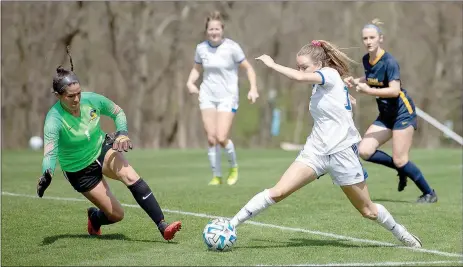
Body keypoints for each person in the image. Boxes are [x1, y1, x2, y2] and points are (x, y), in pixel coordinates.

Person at [228, 40, 423, 248]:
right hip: (316, 151)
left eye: (304, 66)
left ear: (320, 65)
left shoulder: (328, 74)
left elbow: (301, 78)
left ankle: (401, 233)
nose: (300, 70)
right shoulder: (325, 82)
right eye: (298, 66)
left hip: (342, 153)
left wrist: (273, 64)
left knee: (368, 211)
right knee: (278, 192)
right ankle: (230, 225)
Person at [36, 47, 182, 240]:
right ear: (58, 96)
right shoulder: (54, 119)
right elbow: (50, 151)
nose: (77, 99)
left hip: (101, 149)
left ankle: (163, 226)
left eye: (79, 93)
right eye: (71, 96)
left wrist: (122, 133)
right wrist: (47, 172)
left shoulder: (92, 100)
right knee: (116, 215)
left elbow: (117, 112)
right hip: (79, 170)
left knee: (130, 175)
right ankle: (95, 218)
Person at [344, 19, 437, 203]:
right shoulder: (366, 60)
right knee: (364, 151)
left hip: (403, 113)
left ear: (381, 39)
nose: (368, 41)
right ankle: (400, 169)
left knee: (401, 159)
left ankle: (429, 193)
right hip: (386, 116)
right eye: (365, 38)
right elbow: (372, 78)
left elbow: (394, 90)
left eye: (372, 37)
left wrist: (368, 90)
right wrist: (357, 81)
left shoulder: (389, 62)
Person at [186, 11, 259, 186]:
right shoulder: (201, 48)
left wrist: (253, 89)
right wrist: (190, 82)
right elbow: (197, 68)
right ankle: (216, 176)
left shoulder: (232, 47)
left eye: (217, 29)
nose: (214, 32)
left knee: (221, 136)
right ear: (206, 31)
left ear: (222, 30)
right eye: (211, 29)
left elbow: (248, 68)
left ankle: (233, 167)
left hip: (228, 95)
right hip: (207, 95)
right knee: (211, 138)